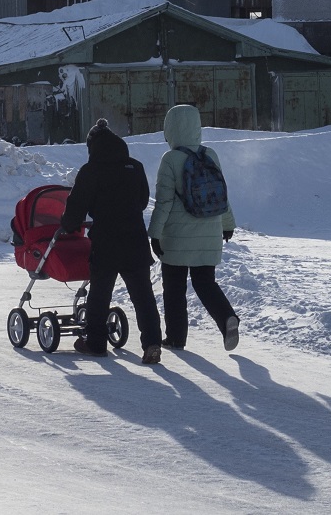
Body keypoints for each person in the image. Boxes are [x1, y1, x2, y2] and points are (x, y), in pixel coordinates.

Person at [60, 118, 163, 364]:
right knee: (143, 295)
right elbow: (142, 201)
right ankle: (152, 343)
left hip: (106, 241)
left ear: (93, 146)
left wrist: (68, 225)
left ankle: (96, 343)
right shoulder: (135, 167)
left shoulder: (91, 170)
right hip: (135, 238)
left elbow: (76, 206)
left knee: (100, 293)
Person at [148, 104, 241, 352]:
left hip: (176, 237)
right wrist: (228, 224)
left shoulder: (170, 159)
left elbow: (164, 202)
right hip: (209, 232)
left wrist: (154, 234)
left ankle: (176, 337)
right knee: (205, 283)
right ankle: (227, 318)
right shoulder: (210, 155)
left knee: (174, 288)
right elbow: (221, 194)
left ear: (170, 129)